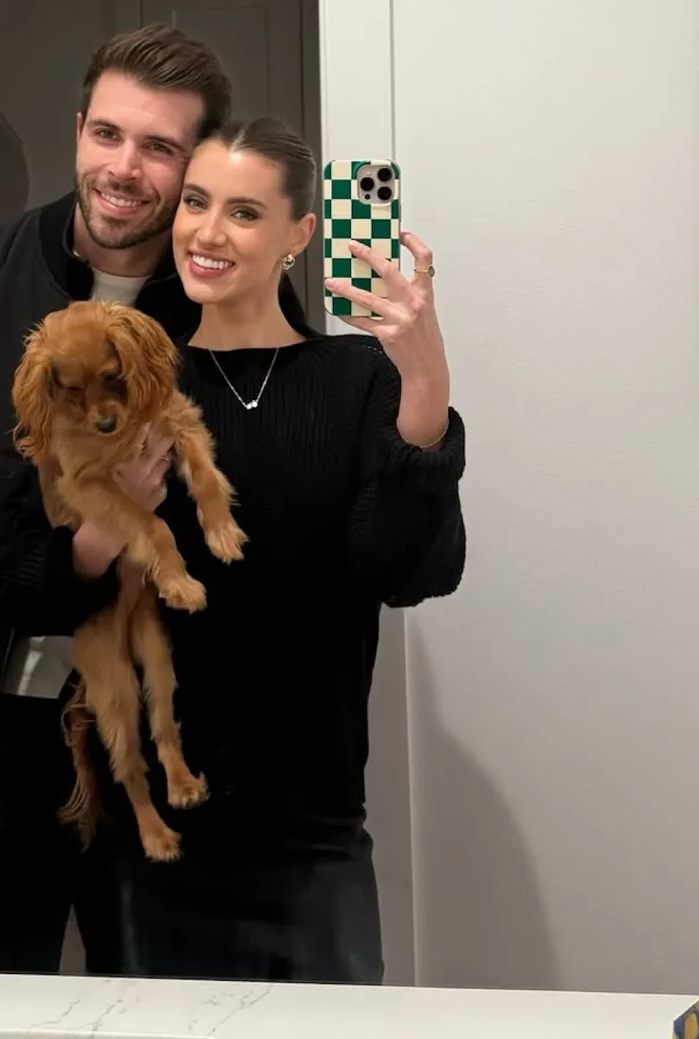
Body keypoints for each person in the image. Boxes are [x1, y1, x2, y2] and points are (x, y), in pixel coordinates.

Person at [0, 26, 306, 975]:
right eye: (107, 134)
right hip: (1, 735)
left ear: (196, 165)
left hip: (173, 726)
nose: (124, 169)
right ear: (77, 130)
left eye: (159, 148)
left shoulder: (237, 305)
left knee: (168, 1014)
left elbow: (283, 518)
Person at [85, 118, 467, 984]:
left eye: (245, 212)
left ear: (301, 234)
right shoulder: (136, 385)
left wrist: (426, 388)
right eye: (196, 203)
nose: (208, 232)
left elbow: (409, 572)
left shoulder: (358, 379)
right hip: (157, 828)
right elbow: (47, 584)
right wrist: (111, 517)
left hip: (316, 834)